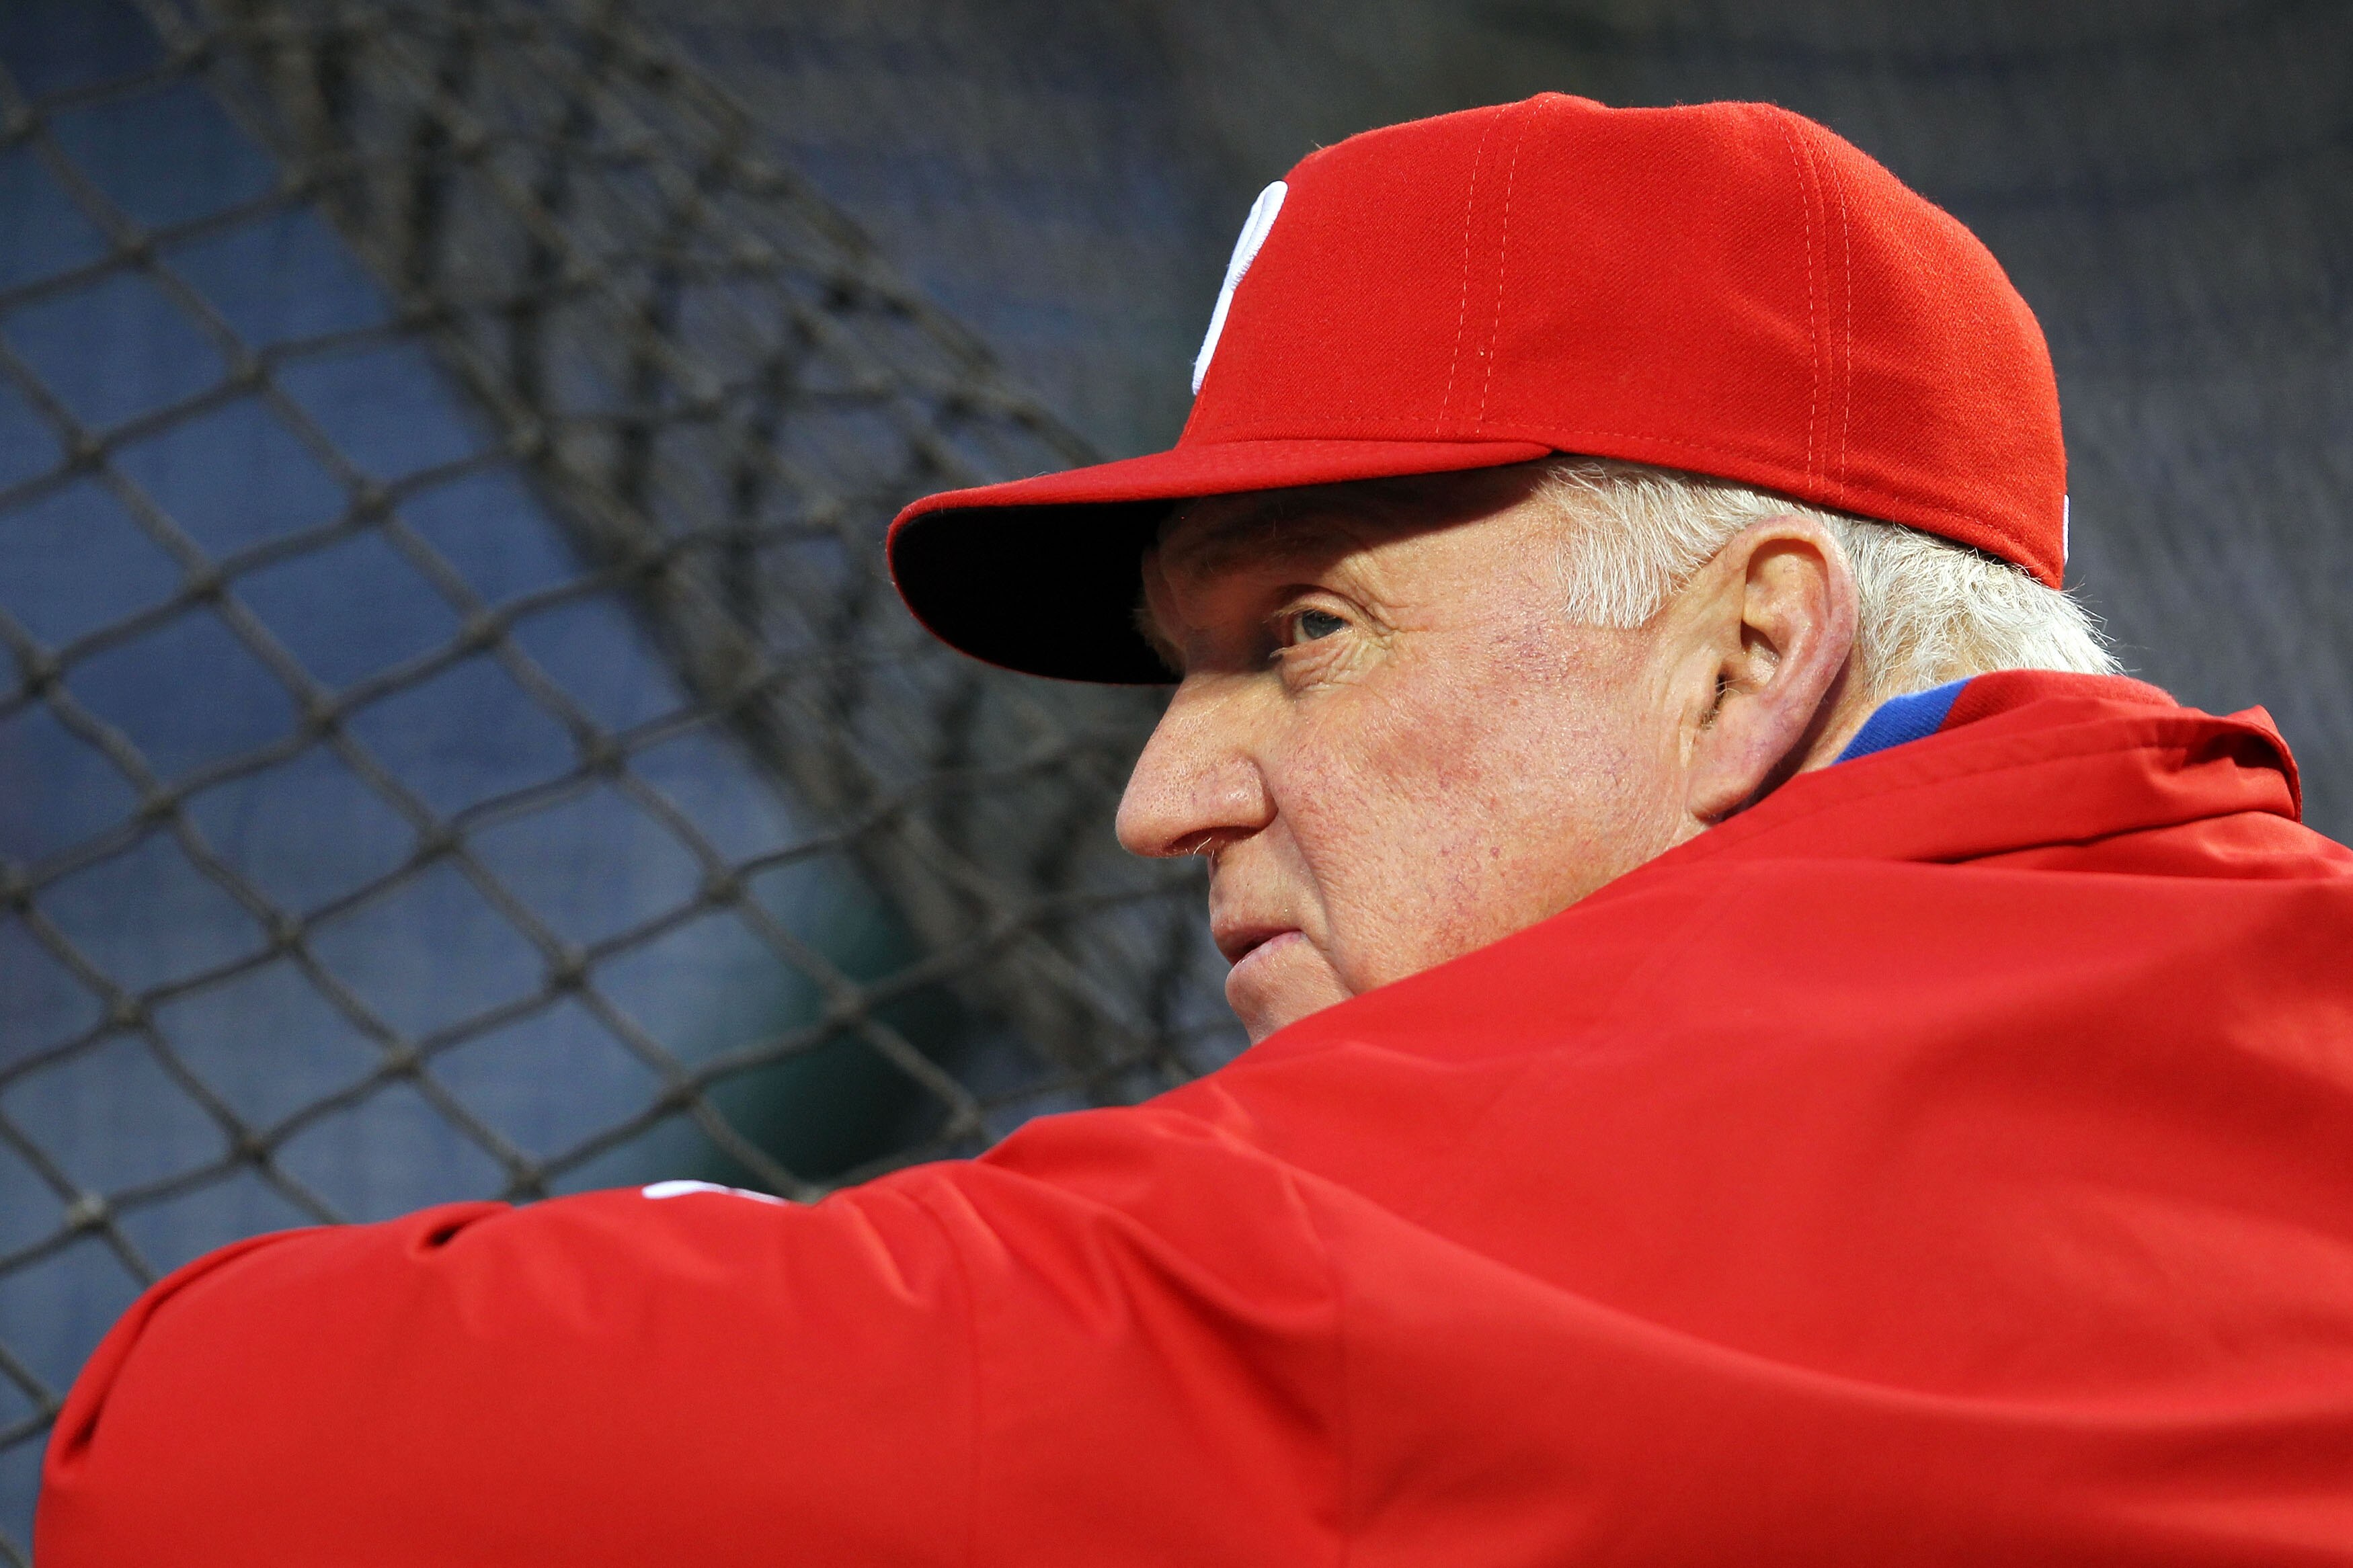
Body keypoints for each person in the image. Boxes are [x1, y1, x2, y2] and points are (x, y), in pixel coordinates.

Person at [37, 94, 2353, 1565]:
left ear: (1748, 655)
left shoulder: (1443, 1229)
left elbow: (194, 1456)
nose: (1163, 792)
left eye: (1307, 632)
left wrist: (706, 1252)